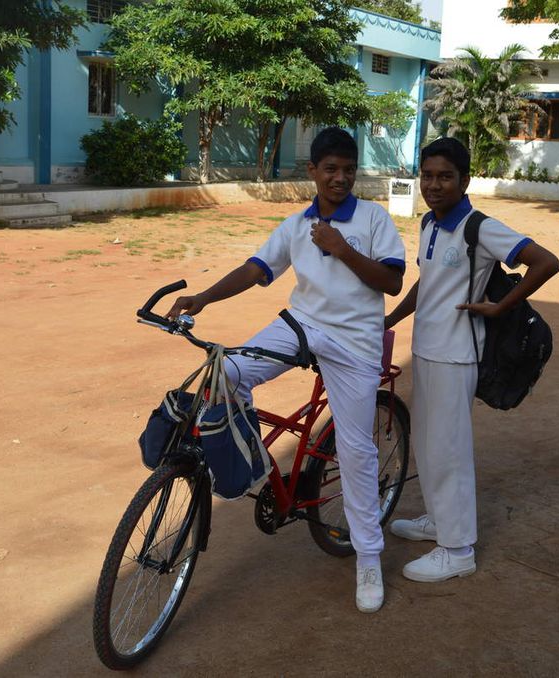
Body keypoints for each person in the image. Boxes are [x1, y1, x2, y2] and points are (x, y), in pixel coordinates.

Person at [166, 127, 406, 613]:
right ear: (312, 171)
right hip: (302, 323)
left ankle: (368, 558)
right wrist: (203, 298)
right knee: (226, 374)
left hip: (356, 340)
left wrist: (342, 247)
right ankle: (252, 461)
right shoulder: (297, 224)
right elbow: (257, 269)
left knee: (358, 452)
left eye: (348, 170)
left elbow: (393, 281)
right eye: (330, 169)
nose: (340, 178)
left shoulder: (374, 218)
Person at [385, 137, 559, 582]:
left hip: (456, 355)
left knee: (450, 450)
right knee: (427, 442)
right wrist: (391, 318)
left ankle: (458, 548)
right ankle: (438, 519)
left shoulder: (479, 228)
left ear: (465, 181)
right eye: (427, 175)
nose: (434, 185)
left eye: (445, 176)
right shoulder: (428, 223)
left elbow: (546, 262)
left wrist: (500, 307)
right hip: (425, 349)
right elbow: (427, 285)